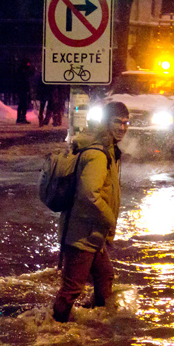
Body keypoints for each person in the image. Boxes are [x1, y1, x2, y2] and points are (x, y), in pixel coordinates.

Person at [52, 101, 129, 323]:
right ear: (105, 123)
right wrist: (109, 219)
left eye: (126, 123)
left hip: (93, 233)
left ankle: (99, 324)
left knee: (104, 276)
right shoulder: (98, 154)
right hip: (83, 233)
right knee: (71, 289)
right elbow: (89, 194)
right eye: (117, 122)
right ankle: (54, 330)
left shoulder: (108, 150)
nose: (122, 127)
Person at [15, 58, 33, 124]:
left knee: (22, 104)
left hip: (23, 89)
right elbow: (25, 79)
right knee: (23, 104)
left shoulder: (22, 70)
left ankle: (21, 117)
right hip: (23, 89)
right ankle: (21, 118)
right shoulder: (22, 71)